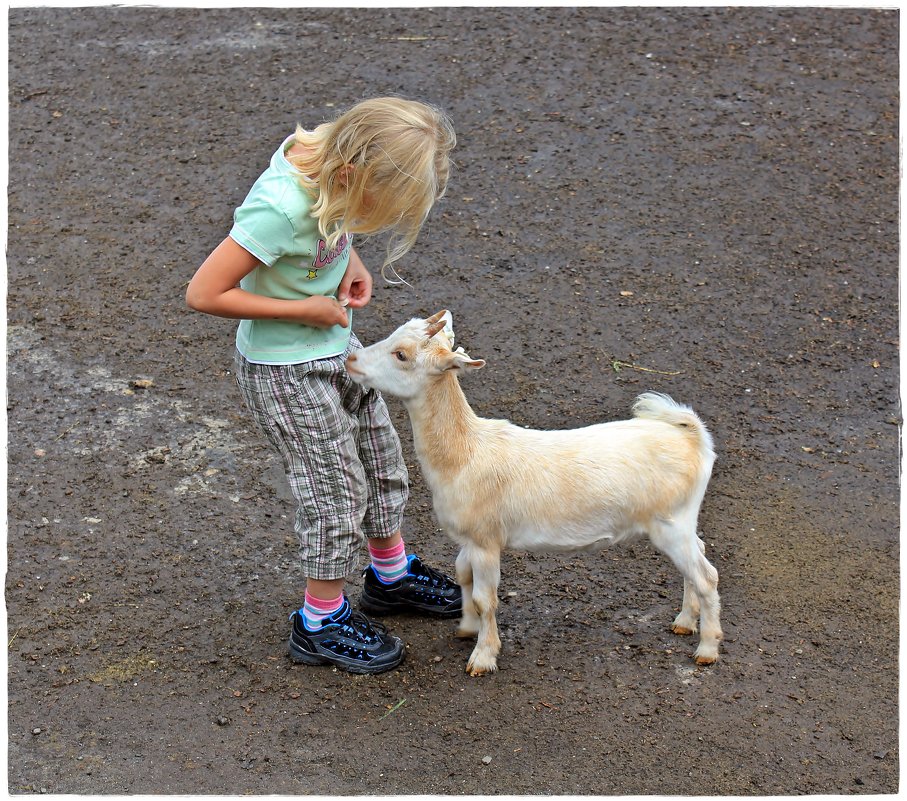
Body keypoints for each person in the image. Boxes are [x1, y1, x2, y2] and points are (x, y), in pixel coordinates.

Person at [186, 97, 461, 674]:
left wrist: (349, 258)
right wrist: (304, 311)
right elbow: (205, 292)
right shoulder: (279, 207)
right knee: (334, 489)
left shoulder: (324, 162)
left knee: (381, 460)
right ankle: (320, 619)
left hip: (339, 351)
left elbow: (331, 220)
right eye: (370, 210)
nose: (367, 221)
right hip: (286, 372)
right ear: (350, 173)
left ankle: (390, 577)